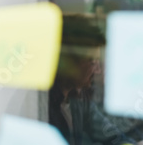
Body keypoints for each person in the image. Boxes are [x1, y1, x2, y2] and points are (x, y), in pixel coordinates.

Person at [49, 14, 137, 145]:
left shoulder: (79, 97)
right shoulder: (43, 107)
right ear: (68, 62)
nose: (98, 70)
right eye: (91, 62)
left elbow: (112, 135)